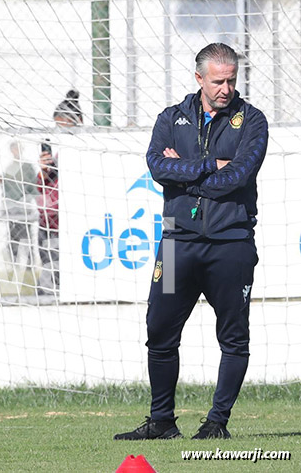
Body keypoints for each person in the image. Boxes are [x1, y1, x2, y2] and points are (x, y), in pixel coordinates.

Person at [114, 43, 268, 441]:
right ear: (198, 78)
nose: (226, 88)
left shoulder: (252, 121)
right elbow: (156, 166)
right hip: (176, 245)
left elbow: (238, 176)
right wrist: (206, 165)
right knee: (159, 329)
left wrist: (185, 172)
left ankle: (217, 422)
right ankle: (162, 421)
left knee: (234, 335)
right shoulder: (171, 118)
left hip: (231, 245)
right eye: (218, 80)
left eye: (232, 80)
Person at [36, 89, 83, 296]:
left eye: (65, 125)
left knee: (60, 283)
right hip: (49, 225)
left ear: (78, 122)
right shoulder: (57, 155)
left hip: (69, 227)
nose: (61, 130)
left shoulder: (83, 152)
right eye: (58, 126)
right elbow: (44, 190)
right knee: (49, 280)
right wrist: (44, 173)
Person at [0, 141, 38, 267]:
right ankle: (14, 265)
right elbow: (7, 187)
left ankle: (30, 265)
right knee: (13, 238)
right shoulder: (9, 167)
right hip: (11, 207)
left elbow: (32, 185)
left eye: (18, 148)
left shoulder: (27, 166)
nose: (15, 151)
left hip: (24, 207)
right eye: (13, 149)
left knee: (27, 237)